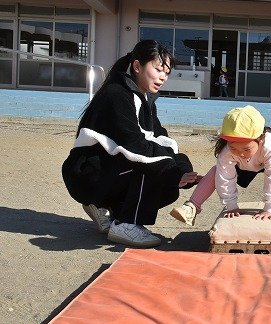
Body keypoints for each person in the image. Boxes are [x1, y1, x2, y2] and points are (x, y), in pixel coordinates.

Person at [61, 40, 201, 248]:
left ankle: (107, 210)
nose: (163, 77)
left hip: (108, 171)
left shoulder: (144, 99)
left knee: (169, 186)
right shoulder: (117, 95)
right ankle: (126, 224)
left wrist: (182, 170)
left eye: (167, 73)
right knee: (152, 167)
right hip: (88, 175)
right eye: (158, 69)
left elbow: (160, 138)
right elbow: (135, 147)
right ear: (137, 66)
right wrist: (171, 170)